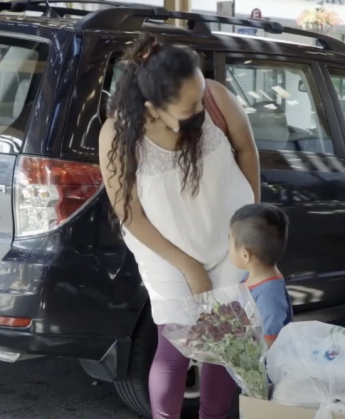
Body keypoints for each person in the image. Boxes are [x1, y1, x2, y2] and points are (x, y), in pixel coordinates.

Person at [98, 33, 260, 419]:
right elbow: (130, 213)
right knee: (175, 347)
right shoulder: (118, 136)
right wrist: (187, 266)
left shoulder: (216, 98)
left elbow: (247, 150)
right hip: (165, 250)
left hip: (228, 239)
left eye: (201, 95)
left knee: (223, 341)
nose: (201, 106)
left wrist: (250, 219)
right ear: (154, 108)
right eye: (190, 106)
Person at [228, 203, 294, 347]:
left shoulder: (269, 294)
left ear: (245, 255)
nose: (229, 248)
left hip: (261, 366)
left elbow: (271, 342)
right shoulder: (248, 276)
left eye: (230, 241)